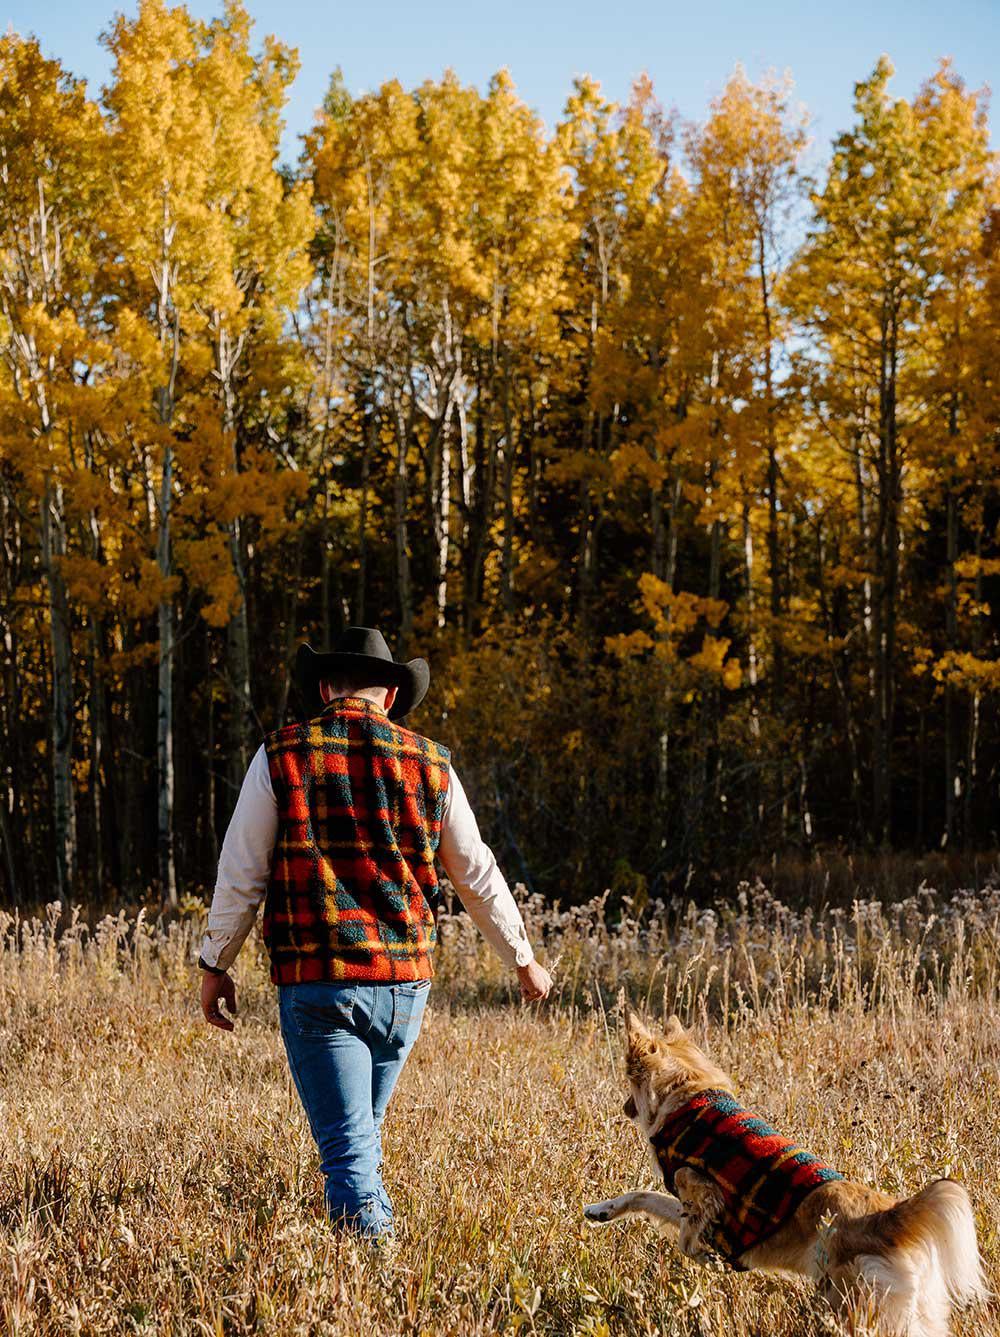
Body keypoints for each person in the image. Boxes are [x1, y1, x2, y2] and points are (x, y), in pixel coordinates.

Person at [197, 625, 552, 1239]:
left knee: (350, 1150)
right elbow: (476, 872)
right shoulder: (432, 764)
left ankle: (376, 1274)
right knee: (357, 1135)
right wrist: (522, 958)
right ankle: (356, 1255)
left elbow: (241, 871)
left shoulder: (280, 755)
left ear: (327, 688)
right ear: (389, 696)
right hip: (404, 988)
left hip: (320, 985)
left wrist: (215, 963)